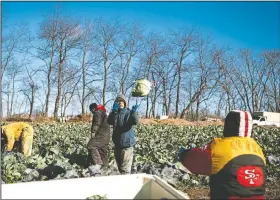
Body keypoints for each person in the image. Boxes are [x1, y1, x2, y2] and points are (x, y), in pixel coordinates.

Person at [178, 110, 266, 200]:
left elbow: (194, 163)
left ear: (228, 126)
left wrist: (183, 154)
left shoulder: (218, 147)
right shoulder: (258, 149)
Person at [107, 94, 139, 174]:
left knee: (125, 171)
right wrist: (113, 112)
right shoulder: (115, 114)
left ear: (125, 103)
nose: (120, 103)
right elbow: (109, 121)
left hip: (126, 146)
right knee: (120, 169)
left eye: (122, 101)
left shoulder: (128, 113)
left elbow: (135, 122)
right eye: (118, 101)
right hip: (117, 145)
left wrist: (134, 113)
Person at [87, 103, 110, 176]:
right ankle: (105, 166)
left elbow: (97, 123)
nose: (92, 112)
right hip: (106, 135)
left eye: (91, 110)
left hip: (101, 135)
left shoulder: (97, 113)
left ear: (93, 109)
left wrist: (93, 133)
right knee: (102, 150)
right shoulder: (103, 113)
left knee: (91, 145)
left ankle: (98, 163)